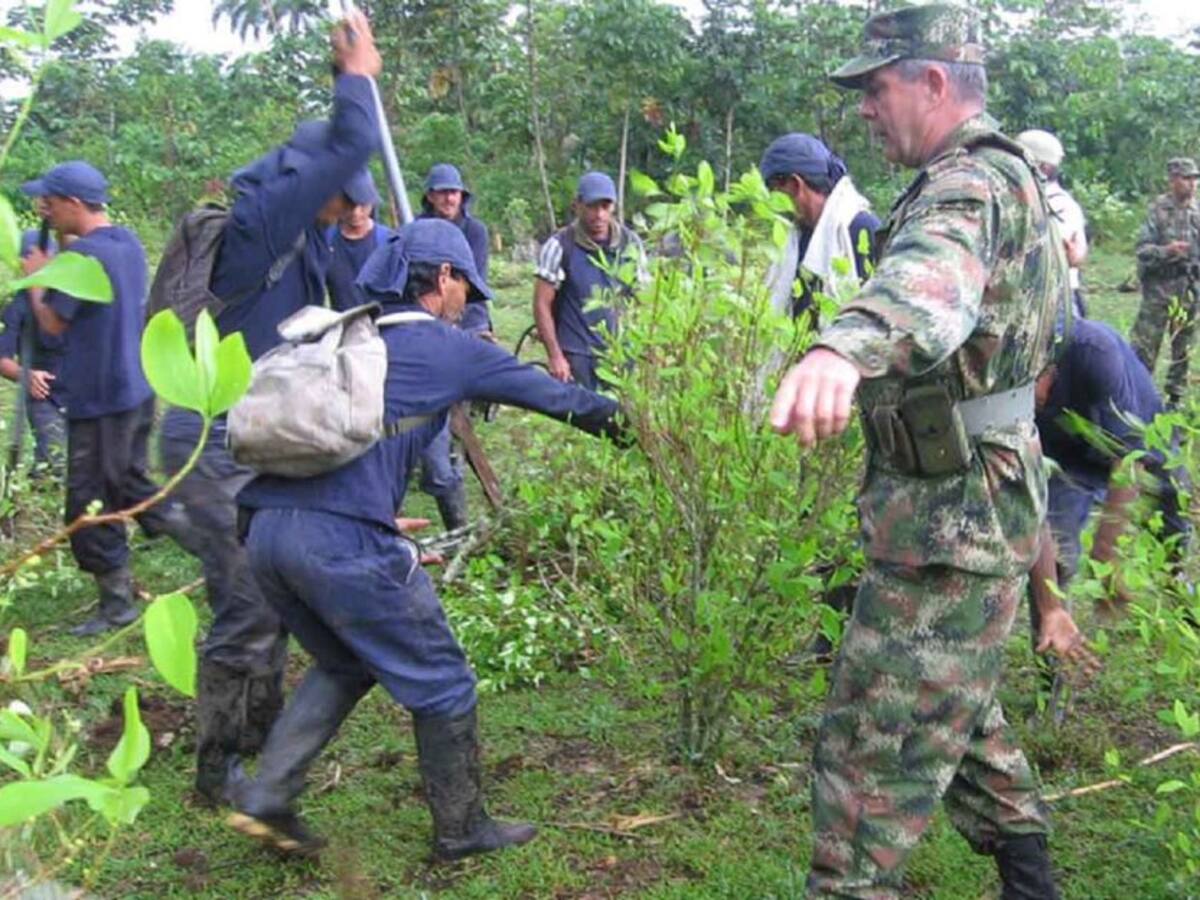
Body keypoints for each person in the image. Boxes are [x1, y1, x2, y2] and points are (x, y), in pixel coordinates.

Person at [769, 6, 1073, 897]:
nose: (865, 108)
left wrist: (842, 346)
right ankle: (1030, 877)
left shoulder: (966, 185)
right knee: (956, 701)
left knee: (871, 747)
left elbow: (927, 283)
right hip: (964, 507)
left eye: (876, 85)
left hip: (954, 520)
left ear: (933, 82)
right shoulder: (992, 175)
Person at [227, 218, 626, 860]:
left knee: (343, 662)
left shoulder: (346, 338)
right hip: (342, 545)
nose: (468, 300)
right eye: (467, 284)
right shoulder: (448, 346)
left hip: (268, 531)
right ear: (442, 278)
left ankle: (268, 797)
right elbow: (564, 400)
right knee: (443, 682)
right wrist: (650, 435)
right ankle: (462, 828)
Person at [155, 9, 383, 806]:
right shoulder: (261, 218)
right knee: (247, 600)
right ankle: (215, 773)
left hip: (251, 435)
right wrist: (356, 69)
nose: (349, 210)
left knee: (275, 589)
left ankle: (255, 739)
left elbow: (353, 306)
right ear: (317, 187)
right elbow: (352, 142)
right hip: (209, 439)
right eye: (342, 200)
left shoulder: (309, 236)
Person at [20, 161, 190, 638]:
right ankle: (215, 544)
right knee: (130, 483)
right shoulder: (126, 244)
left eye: (50, 203)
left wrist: (36, 279)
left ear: (74, 204)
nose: (43, 211)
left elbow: (53, 322)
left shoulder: (83, 260)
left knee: (91, 499)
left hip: (100, 397)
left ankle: (122, 599)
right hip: (134, 388)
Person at [1031, 318, 1190, 623]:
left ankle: (1176, 587)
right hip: (1067, 454)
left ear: (1049, 366)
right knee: (1055, 554)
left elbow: (1129, 459)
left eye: (1033, 387)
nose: (1030, 399)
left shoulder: (1092, 349)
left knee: (1173, 507)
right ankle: (1056, 651)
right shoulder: (1007, 366)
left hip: (1140, 431)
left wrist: (1105, 554)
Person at [412, 162, 494, 530]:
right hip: (427, 317)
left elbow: (474, 285)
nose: (448, 198)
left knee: (480, 360)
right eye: (442, 191)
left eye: (454, 192)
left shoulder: (474, 232)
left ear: (462, 196)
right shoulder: (416, 231)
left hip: (467, 308)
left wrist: (466, 328)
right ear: (430, 196)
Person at [533, 171, 644, 391]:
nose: (600, 215)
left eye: (605, 206)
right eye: (593, 206)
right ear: (578, 206)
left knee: (625, 419)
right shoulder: (560, 246)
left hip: (621, 352)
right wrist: (555, 356)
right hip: (578, 353)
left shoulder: (630, 244)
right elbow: (541, 304)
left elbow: (644, 298)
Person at [759, 132, 880, 321]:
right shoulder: (798, 237)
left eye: (775, 191)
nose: (774, 202)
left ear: (795, 184)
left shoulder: (861, 230)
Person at [1129, 157, 1200, 407]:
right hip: (1159, 290)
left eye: (1195, 178)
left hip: (1188, 289)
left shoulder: (1197, 212)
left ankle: (1175, 398)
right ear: (1172, 180)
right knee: (1144, 346)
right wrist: (1167, 251)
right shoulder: (1158, 210)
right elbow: (1142, 250)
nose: (1192, 184)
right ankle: (1137, 393)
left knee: (1183, 347)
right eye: (1186, 178)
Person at [0, 229, 65, 473]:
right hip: (44, 396)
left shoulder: (71, 297)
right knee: (54, 462)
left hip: (81, 395)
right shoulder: (17, 306)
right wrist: (25, 375)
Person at [1017, 129, 1089, 318]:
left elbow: (1070, 254)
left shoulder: (1057, 203)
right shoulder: (1057, 201)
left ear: (1043, 167)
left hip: (1052, 299)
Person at [324, 169, 395, 311]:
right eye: (349, 204)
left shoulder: (388, 241)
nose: (356, 212)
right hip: (341, 326)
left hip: (381, 325)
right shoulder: (326, 241)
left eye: (362, 204)